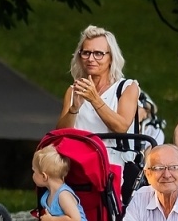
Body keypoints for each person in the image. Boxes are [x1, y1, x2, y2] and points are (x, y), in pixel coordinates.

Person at [57, 25, 141, 168]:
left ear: (111, 57)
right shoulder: (73, 90)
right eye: (86, 53)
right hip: (77, 163)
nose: (91, 59)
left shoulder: (127, 88)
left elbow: (121, 127)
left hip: (113, 165)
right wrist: (74, 108)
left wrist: (94, 99)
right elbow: (60, 134)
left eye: (98, 54)